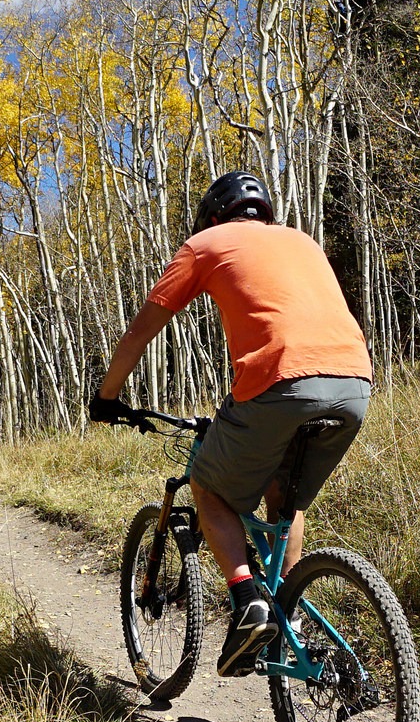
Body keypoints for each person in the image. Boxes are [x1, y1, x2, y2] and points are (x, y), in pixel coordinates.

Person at [88, 171, 372, 677]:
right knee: (285, 497)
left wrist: (107, 398)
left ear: (213, 217)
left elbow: (139, 332)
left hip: (281, 382)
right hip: (355, 382)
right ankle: (289, 623)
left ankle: (248, 603)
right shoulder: (302, 241)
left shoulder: (205, 243)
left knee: (208, 487)